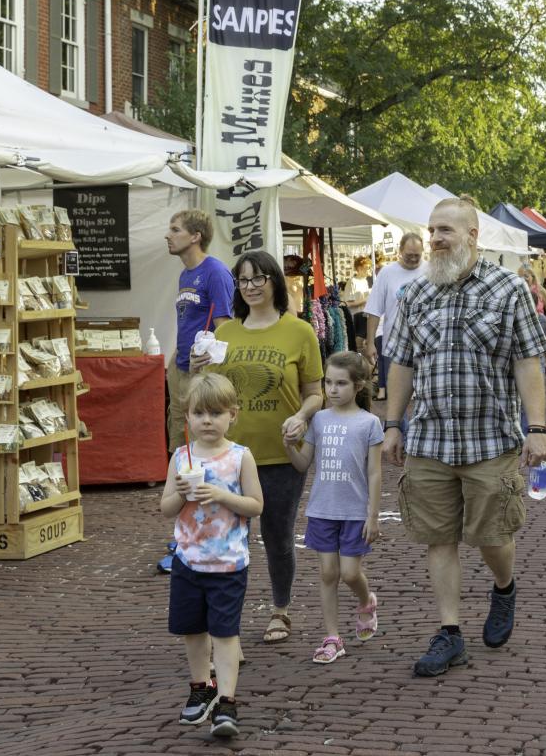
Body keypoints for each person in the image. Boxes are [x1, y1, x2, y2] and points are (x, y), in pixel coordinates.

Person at [381, 196, 546, 678]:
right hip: (430, 440)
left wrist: (535, 429)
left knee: (493, 535)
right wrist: (394, 424)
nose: (434, 239)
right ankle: (450, 632)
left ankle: (504, 587)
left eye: (445, 231)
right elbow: (402, 363)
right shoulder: (414, 294)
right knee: (439, 538)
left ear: (472, 236)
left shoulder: (508, 289)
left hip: (490, 441)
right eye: (432, 230)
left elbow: (528, 362)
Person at [191, 251, 324, 644]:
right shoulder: (226, 332)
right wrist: (200, 369)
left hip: (282, 453)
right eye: (243, 280)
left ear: (274, 283)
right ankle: (227, 615)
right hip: (229, 455)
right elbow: (211, 395)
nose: (250, 287)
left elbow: (315, 393)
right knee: (230, 538)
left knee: (278, 537)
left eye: (258, 279)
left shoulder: (299, 332)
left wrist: (302, 416)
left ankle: (280, 611)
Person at [160, 372, 263, 738]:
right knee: (192, 631)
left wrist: (219, 494)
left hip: (228, 563)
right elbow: (167, 507)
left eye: (216, 413)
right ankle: (201, 687)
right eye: (200, 413)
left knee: (224, 633)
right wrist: (184, 495)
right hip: (188, 561)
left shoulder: (240, 457)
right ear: (187, 416)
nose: (208, 421)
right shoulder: (181, 456)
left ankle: (228, 701)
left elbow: (255, 505)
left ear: (232, 415)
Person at [285, 352, 383, 664]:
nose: (332, 389)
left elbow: (374, 472)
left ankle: (366, 601)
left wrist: (373, 514)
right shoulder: (320, 420)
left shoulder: (370, 423)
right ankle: (332, 637)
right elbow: (303, 464)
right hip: (322, 509)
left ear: (359, 386)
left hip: (355, 512)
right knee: (328, 573)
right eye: (328, 382)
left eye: (341, 383)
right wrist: (289, 445)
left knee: (351, 573)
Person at [165, 209, 234, 453]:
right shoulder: (185, 274)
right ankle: (181, 483)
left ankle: (204, 484)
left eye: (175, 230)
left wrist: (208, 369)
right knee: (177, 426)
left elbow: (225, 327)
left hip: (202, 368)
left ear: (195, 236)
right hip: (181, 364)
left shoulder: (215, 272)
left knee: (201, 433)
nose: (168, 235)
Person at [364, 234, 425, 401]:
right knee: (396, 395)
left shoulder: (431, 270)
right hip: (394, 343)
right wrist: (370, 343)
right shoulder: (387, 272)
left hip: (425, 344)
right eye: (409, 255)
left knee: (423, 393)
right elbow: (374, 310)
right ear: (400, 251)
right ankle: (397, 426)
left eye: (417, 256)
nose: (413, 259)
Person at [343, 255, 373, 352]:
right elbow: (347, 303)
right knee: (358, 346)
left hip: (364, 317)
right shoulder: (352, 282)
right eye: (367, 268)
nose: (369, 270)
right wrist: (366, 299)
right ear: (360, 268)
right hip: (354, 319)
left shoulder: (364, 281)